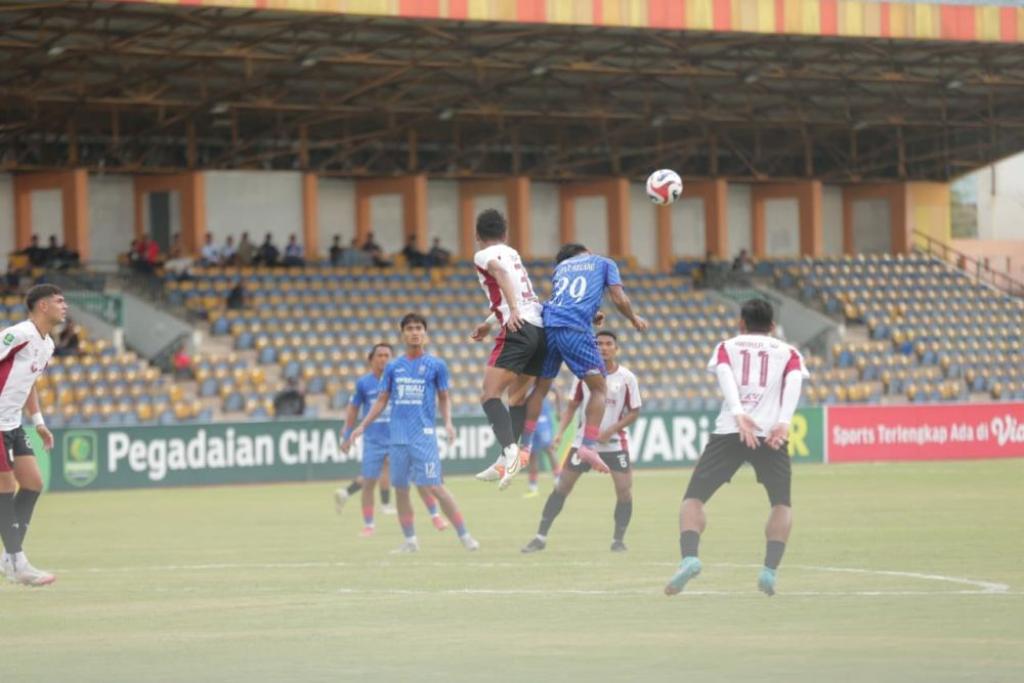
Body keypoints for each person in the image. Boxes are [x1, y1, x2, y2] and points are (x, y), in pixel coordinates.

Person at [664, 298, 808, 598]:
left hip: (731, 429)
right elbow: (794, 382)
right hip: (771, 434)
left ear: (741, 322)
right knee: (781, 503)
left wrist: (739, 411)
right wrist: (783, 421)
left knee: (693, 499)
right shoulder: (789, 352)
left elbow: (725, 376)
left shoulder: (726, 346)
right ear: (772, 326)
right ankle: (769, 570)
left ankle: (690, 557)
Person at [513, 244, 647, 489]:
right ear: (585, 251)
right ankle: (588, 446)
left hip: (550, 327)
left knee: (540, 390)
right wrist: (633, 317)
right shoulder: (604, 262)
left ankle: (526, 445)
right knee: (599, 388)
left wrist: (591, 314)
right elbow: (618, 297)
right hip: (575, 330)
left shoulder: (561, 268)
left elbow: (566, 299)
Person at [341, 314, 478, 553]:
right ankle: (410, 540)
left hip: (423, 437)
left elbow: (444, 398)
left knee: (435, 486)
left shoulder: (437, 365)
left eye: (419, 328)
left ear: (425, 333)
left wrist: (448, 423)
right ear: (403, 334)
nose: (415, 332)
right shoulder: (393, 367)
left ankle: (464, 534)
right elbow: (382, 400)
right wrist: (363, 425)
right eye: (410, 329)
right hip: (398, 439)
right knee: (401, 489)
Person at [522, 330, 641, 553]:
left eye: (608, 344)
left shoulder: (627, 378)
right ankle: (540, 537)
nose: (604, 347)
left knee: (624, 491)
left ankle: (618, 539)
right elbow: (572, 406)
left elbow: (634, 411)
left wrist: (612, 430)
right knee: (562, 487)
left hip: (615, 443)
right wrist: (559, 433)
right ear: (594, 348)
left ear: (616, 349)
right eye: (599, 344)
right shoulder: (584, 375)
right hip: (583, 444)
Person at [467, 210, 547, 490]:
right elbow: (522, 293)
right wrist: (490, 323)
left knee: (489, 395)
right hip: (540, 330)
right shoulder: (512, 252)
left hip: (520, 328)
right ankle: (505, 458)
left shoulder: (483, 255)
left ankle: (511, 450)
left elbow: (500, 275)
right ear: (506, 234)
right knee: (515, 398)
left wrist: (511, 311)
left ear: (477, 236)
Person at [334, 343, 449, 536]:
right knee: (369, 481)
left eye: (388, 355)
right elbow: (353, 408)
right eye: (380, 355)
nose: (384, 359)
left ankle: (435, 515)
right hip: (374, 440)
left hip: (400, 437)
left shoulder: (400, 376)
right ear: (371, 359)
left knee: (420, 480)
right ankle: (369, 524)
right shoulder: (364, 383)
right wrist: (347, 433)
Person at [0, 284, 66, 586]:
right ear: (42, 306)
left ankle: (9, 558)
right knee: (6, 484)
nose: (64, 306)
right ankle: (17, 562)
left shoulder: (47, 344)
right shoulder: (19, 334)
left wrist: (38, 421)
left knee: (33, 483)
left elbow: (29, 383)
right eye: (58, 301)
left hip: (13, 424)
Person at [523, 394, 561, 498]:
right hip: (529, 421)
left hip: (543, 418)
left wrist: (558, 410)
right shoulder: (524, 381)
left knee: (549, 449)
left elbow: (556, 391)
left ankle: (559, 482)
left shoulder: (542, 379)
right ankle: (533, 487)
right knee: (532, 454)